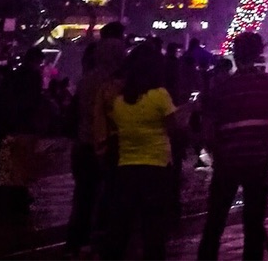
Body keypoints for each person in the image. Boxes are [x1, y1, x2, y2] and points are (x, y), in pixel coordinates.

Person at [198, 32, 268, 261]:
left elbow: (208, 127)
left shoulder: (222, 87)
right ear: (259, 55)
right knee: (254, 224)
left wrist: (217, 152)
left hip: (227, 160)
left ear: (235, 55)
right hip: (258, 160)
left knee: (215, 221)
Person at [105, 40, 182, 260]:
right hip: (156, 168)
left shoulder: (119, 100)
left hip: (126, 167)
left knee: (122, 226)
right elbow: (173, 129)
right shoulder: (160, 96)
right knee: (154, 230)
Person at [67, 24, 126, 258]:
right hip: (109, 146)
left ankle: (76, 242)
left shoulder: (86, 80)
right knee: (109, 197)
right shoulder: (118, 85)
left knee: (83, 196)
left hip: (83, 144)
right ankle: (102, 242)